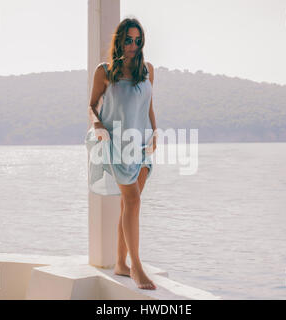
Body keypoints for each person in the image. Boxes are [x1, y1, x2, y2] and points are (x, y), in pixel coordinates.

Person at [85, 18, 158, 290]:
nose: (133, 46)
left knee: (129, 205)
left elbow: (149, 105)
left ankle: (120, 263)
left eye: (138, 41)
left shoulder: (147, 70)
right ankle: (137, 267)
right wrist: (97, 124)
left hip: (141, 143)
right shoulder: (104, 71)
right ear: (119, 40)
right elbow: (92, 105)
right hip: (116, 142)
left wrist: (155, 133)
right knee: (133, 201)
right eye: (128, 39)